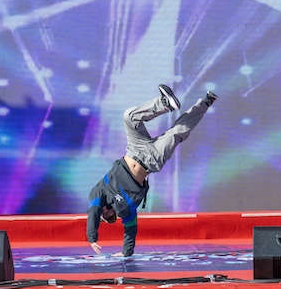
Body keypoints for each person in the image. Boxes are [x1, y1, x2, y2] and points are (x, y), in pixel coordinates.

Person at [87, 84, 217, 257]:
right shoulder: (125, 211)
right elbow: (130, 231)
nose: (104, 213)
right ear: (111, 214)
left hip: (134, 149)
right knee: (179, 131)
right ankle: (206, 102)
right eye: (107, 216)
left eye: (102, 215)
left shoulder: (98, 192)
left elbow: (93, 211)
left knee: (129, 117)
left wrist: (92, 238)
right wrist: (126, 253)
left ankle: (165, 103)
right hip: (152, 160)